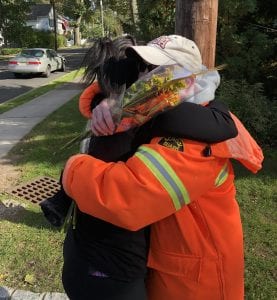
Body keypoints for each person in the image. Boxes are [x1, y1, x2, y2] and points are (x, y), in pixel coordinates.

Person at [60, 35, 264, 300]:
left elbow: (126, 197)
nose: (145, 79)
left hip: (197, 285)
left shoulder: (195, 141)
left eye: (158, 71)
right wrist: (109, 101)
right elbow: (117, 86)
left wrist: (72, 168)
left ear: (189, 82)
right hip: (173, 271)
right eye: (144, 68)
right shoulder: (179, 114)